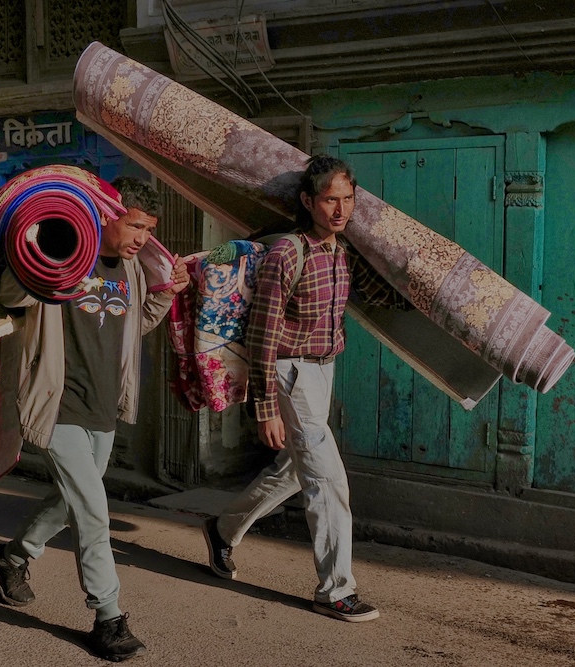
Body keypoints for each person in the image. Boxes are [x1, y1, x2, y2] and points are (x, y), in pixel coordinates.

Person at [0, 176, 189, 661]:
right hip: (56, 403)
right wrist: (44, 262)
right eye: (135, 225)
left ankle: (8, 559)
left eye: (148, 229)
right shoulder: (64, 250)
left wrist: (165, 292)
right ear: (106, 215)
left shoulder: (130, 269)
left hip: (102, 406)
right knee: (93, 510)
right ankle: (109, 618)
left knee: (72, 499)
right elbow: (11, 296)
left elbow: (134, 323)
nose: (141, 238)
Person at [202, 155, 407, 622]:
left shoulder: (342, 249)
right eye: (330, 199)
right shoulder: (288, 253)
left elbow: (375, 294)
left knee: (297, 470)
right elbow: (262, 333)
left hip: (323, 369)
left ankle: (222, 529)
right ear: (308, 201)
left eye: (348, 199)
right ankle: (335, 590)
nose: (340, 209)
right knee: (328, 480)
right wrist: (265, 406)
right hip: (288, 372)